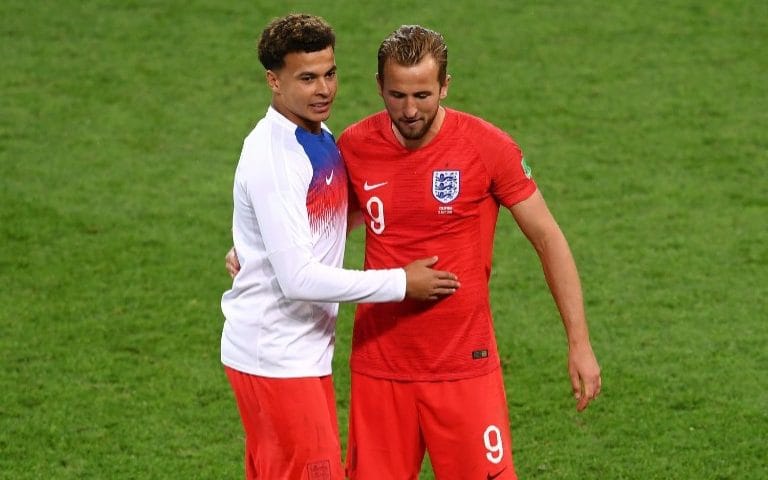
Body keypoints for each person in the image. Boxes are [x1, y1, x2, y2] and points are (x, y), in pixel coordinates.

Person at [227, 23, 601, 480]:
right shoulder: (353, 146)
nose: (409, 110)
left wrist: (579, 343)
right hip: (378, 370)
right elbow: (315, 219)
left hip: (465, 368)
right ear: (380, 86)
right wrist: (256, 250)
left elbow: (549, 239)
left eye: (423, 95)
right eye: (397, 95)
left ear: (445, 86)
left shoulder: (487, 148)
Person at [220, 15, 459, 480]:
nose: (324, 89)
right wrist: (401, 282)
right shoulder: (277, 157)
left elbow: (327, 215)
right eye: (306, 78)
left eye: (330, 73)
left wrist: (256, 245)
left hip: (294, 354)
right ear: (274, 80)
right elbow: (298, 280)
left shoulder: (316, 135)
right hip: (276, 357)